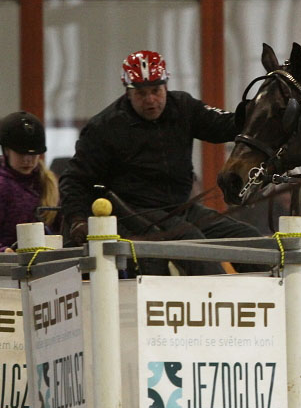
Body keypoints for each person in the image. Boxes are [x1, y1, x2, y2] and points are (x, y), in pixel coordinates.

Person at [58, 49, 262, 275]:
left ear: (166, 85)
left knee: (251, 240)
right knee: (200, 254)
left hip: (181, 208)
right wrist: (77, 219)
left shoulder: (183, 106)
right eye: (141, 94)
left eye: (156, 91)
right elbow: (74, 180)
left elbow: (226, 125)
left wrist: (259, 111)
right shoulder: (104, 128)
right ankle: (222, 305)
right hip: (133, 213)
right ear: (128, 93)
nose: (150, 100)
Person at [0, 111, 59, 252]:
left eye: (33, 154)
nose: (28, 159)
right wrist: (1, 252)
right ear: (7, 151)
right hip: (8, 267)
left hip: (45, 264)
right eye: (21, 153)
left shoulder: (46, 184)